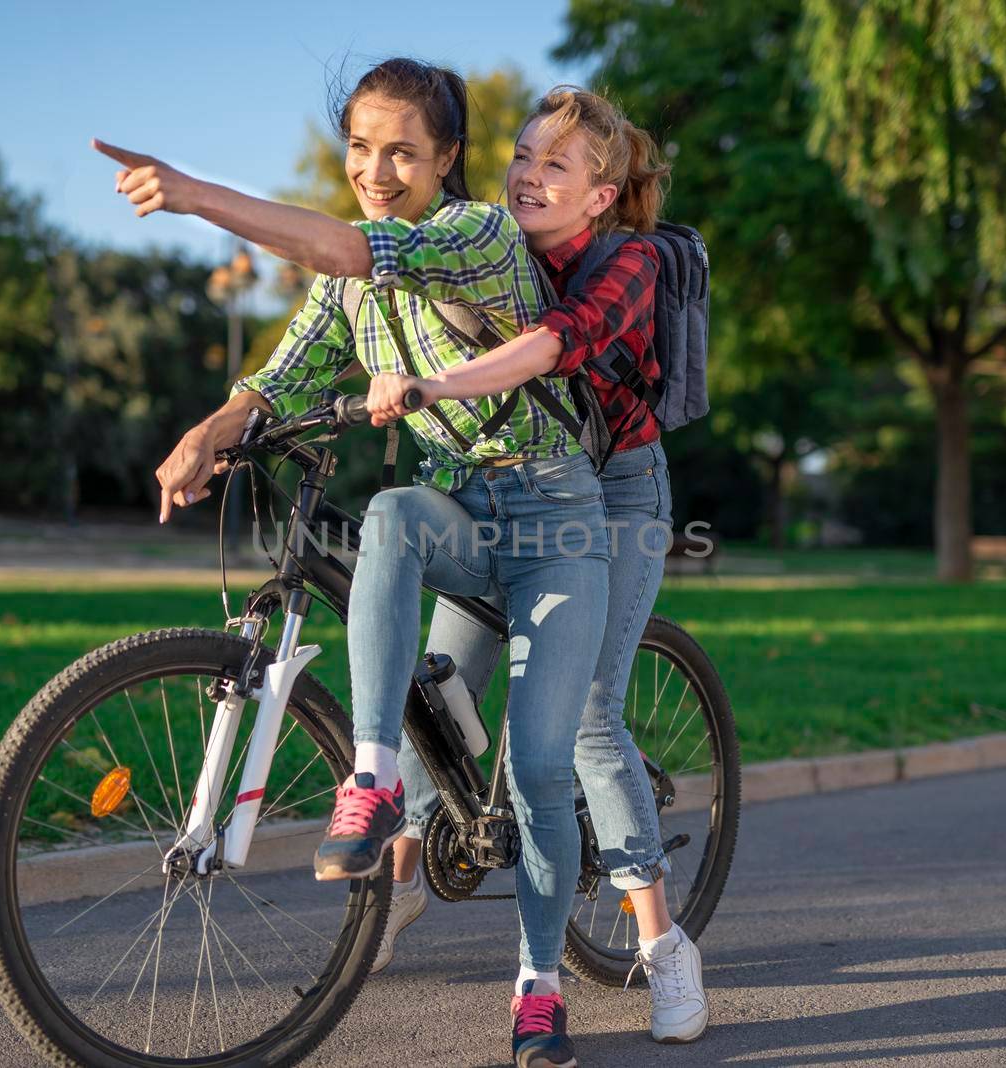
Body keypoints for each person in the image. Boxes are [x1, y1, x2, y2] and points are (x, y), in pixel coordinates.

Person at [98, 59, 609, 1068]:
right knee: (389, 513)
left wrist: (195, 194)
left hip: (555, 525)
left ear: (446, 159)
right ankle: (373, 780)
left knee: (544, 769)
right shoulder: (349, 286)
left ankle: (539, 987)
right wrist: (215, 426)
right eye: (361, 149)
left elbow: (349, 245)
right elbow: (285, 370)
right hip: (462, 512)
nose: (376, 170)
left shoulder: (478, 234)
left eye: (402, 152)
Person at [362, 86, 709, 1045]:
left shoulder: (628, 261)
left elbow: (551, 347)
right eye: (523, 153)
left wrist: (431, 383)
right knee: (434, 692)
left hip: (618, 501)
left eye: (557, 164)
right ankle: (395, 889)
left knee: (591, 718)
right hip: (507, 493)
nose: (528, 173)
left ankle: (663, 945)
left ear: (600, 197)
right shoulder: (492, 246)